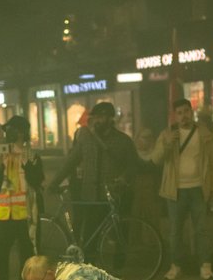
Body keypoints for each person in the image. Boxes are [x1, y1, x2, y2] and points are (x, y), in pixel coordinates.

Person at [47, 101, 143, 262]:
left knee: (119, 230)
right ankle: (90, 263)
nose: (97, 121)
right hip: (91, 195)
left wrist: (123, 179)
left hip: (114, 194)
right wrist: (54, 183)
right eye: (95, 117)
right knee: (91, 233)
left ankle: (118, 263)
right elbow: (71, 161)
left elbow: (133, 165)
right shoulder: (86, 138)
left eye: (101, 117)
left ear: (110, 119)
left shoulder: (123, 141)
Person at [150, 99, 213, 280]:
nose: (183, 116)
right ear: (174, 116)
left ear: (191, 112)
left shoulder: (203, 133)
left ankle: (205, 265)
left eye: (186, 111)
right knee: (175, 231)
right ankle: (176, 265)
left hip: (198, 188)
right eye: (179, 113)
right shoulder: (167, 134)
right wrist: (167, 144)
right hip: (175, 190)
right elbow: (155, 159)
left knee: (201, 229)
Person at [0, 115, 43, 280]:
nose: (6, 133)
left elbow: (37, 181)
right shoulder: (0, 153)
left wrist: (27, 163)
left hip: (25, 217)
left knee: (27, 259)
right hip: (3, 214)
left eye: (10, 129)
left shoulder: (31, 155)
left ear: (20, 132)